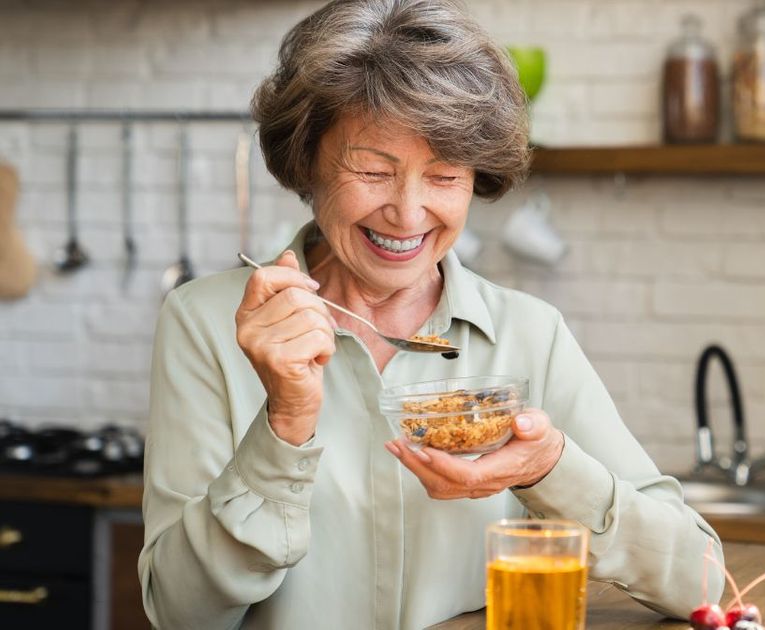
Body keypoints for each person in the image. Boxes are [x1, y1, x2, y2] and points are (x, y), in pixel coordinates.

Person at [138, 1, 724, 628]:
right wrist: (284, 424)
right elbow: (181, 614)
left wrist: (550, 468)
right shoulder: (205, 322)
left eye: (444, 176)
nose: (409, 214)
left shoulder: (530, 333)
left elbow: (699, 578)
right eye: (372, 171)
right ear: (308, 162)